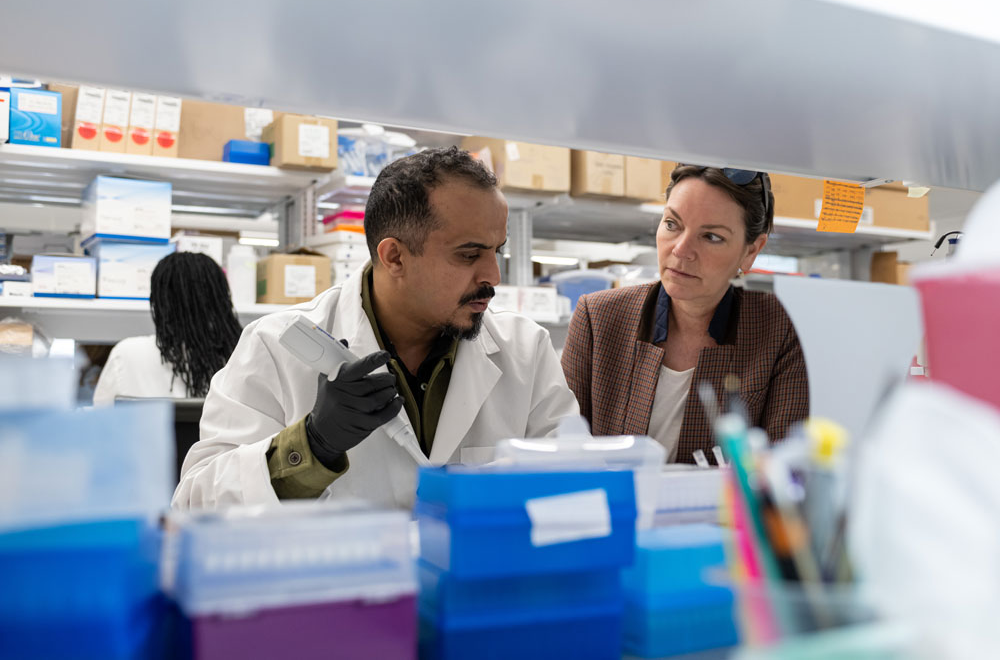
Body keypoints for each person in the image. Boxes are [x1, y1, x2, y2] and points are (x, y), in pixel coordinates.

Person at [173, 147, 579, 510]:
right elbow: (194, 505)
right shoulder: (275, 346)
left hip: (478, 591)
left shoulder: (526, 350)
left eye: (498, 251)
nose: (493, 275)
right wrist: (312, 445)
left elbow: (575, 499)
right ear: (394, 257)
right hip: (341, 592)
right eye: (469, 254)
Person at [561, 164, 809, 463]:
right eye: (672, 224)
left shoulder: (781, 330)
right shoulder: (599, 317)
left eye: (711, 237)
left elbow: (781, 474)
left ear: (751, 250)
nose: (681, 250)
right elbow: (564, 455)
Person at [93, 252, 242, 405]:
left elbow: (100, 419)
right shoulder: (240, 357)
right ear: (220, 300)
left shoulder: (126, 355)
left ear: (160, 302)